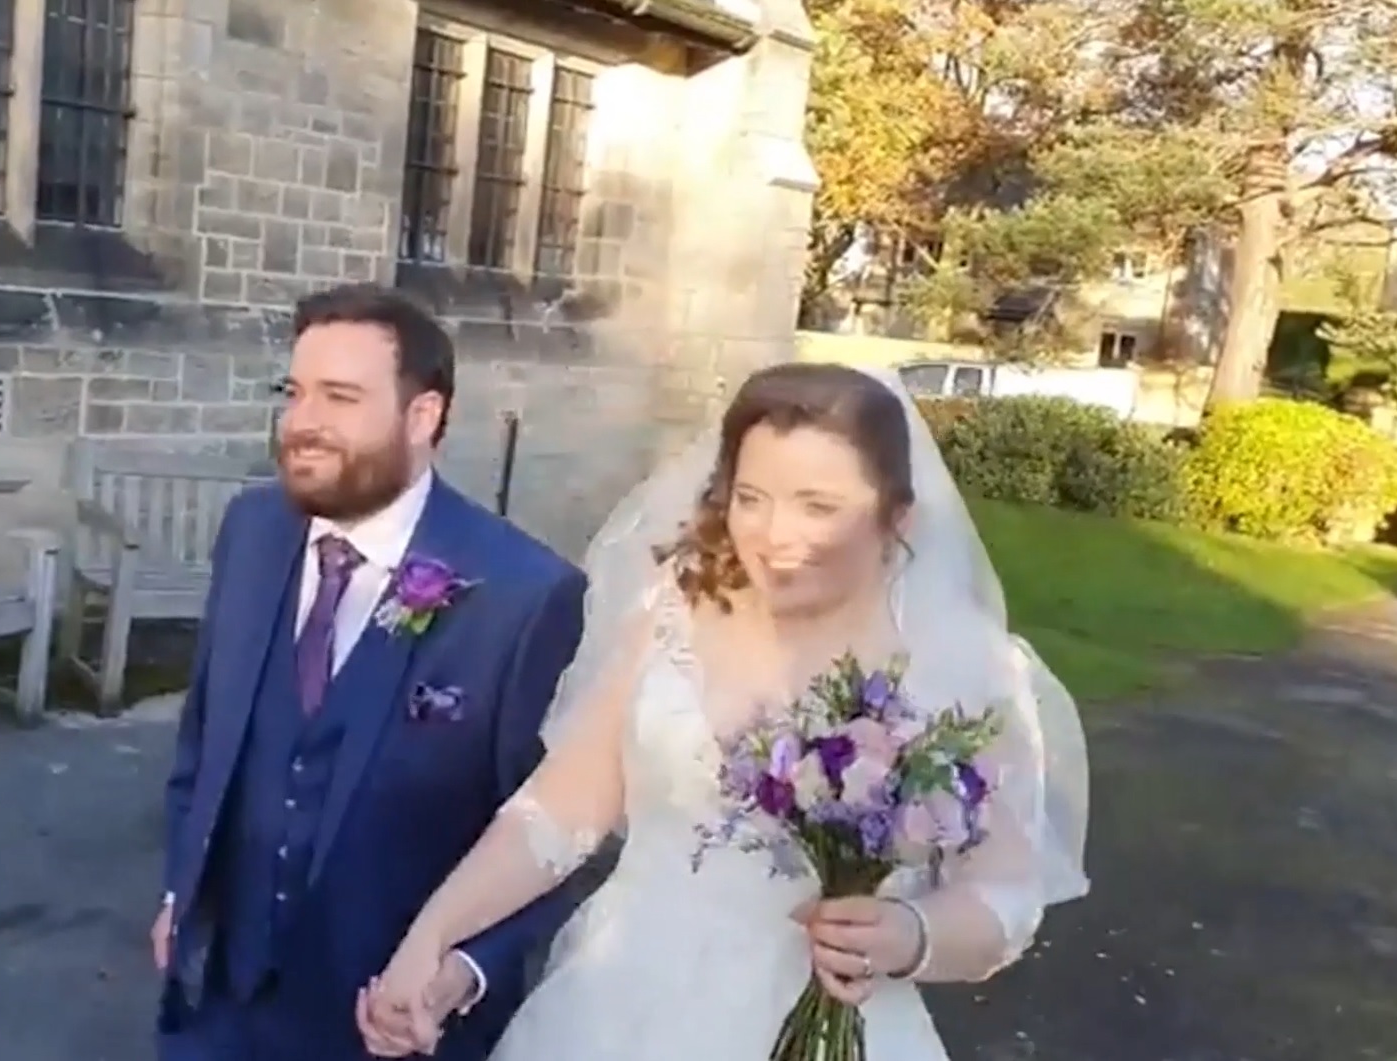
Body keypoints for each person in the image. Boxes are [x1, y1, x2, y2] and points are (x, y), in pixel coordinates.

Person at [360, 362, 1091, 1060]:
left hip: (822, 1018)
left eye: (819, 506)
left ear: (894, 514)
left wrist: (911, 930)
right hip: (613, 1011)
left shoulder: (967, 673)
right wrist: (433, 937)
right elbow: (556, 812)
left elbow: (1004, 896)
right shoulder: (676, 614)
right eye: (751, 497)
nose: (774, 534)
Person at [153, 283, 588, 1061]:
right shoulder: (251, 530)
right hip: (218, 1006)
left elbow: (553, 831)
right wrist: (179, 887)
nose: (302, 423)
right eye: (294, 392)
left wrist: (461, 969)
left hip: (387, 1028)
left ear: (423, 416)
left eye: (340, 397)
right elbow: (204, 740)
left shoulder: (524, 594)